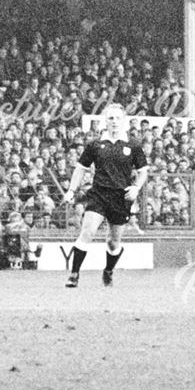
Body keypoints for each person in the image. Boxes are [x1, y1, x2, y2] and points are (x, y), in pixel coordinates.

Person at [60, 103, 148, 288]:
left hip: (120, 198)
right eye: (110, 118)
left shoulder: (133, 146)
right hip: (99, 194)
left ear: (123, 121)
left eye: (117, 118)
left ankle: (108, 271)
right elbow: (80, 169)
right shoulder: (95, 145)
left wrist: (136, 188)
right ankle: (74, 274)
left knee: (113, 242)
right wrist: (70, 191)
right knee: (87, 232)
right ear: (105, 121)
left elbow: (143, 172)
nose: (114, 121)